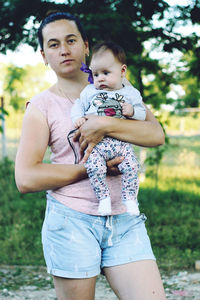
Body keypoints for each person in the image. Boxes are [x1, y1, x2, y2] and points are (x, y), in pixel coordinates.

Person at [15, 11, 167, 300]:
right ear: (44, 55)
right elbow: (26, 177)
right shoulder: (41, 106)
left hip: (124, 220)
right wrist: (92, 169)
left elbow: (155, 135)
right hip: (71, 222)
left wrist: (105, 124)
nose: (64, 50)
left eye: (71, 40)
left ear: (86, 46)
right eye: (54, 44)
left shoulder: (118, 88)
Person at [71, 41, 146, 216]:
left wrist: (133, 111)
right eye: (96, 74)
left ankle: (130, 199)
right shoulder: (89, 91)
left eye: (106, 73)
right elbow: (78, 105)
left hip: (121, 143)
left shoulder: (130, 93)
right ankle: (103, 199)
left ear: (122, 71)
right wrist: (78, 118)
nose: (100, 78)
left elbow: (142, 114)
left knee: (132, 167)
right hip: (98, 145)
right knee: (95, 168)